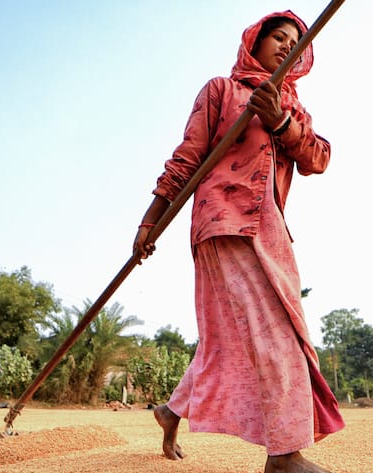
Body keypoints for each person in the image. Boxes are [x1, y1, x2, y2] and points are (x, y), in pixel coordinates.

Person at [132, 10, 345, 473]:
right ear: (255, 42)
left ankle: (171, 411)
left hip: (270, 227)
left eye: (296, 42)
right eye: (279, 37)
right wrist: (151, 221)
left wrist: (282, 122)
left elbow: (319, 158)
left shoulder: (291, 105)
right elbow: (188, 157)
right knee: (276, 332)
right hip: (223, 219)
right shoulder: (221, 90)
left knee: (232, 338)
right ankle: (284, 456)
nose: (288, 46)